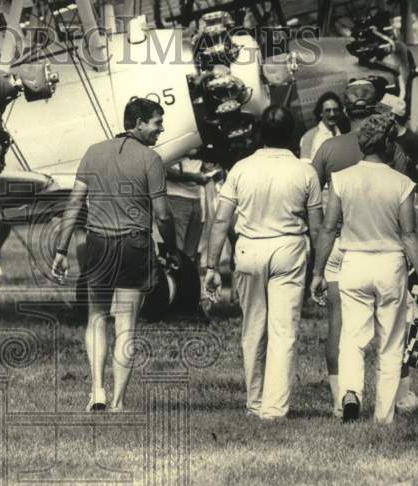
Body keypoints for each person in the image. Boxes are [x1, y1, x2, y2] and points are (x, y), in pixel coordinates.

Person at [52, 98, 179, 412]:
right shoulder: (151, 159)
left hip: (98, 243)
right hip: (133, 244)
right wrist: (172, 248)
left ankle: (96, 389)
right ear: (137, 123)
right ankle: (118, 402)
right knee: (126, 323)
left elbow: (74, 204)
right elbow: (163, 215)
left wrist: (60, 248)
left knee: (96, 317)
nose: (161, 129)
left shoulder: (94, 152)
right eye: (157, 123)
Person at [311, 113, 418, 423]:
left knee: (352, 335)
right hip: (390, 265)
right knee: (390, 341)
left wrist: (318, 271)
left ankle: (350, 391)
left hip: (353, 263)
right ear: (389, 144)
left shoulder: (342, 179)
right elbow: (409, 234)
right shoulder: (402, 183)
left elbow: (327, 228)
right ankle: (383, 415)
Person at [204, 106, 322, 419]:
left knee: (253, 328)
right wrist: (320, 270)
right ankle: (274, 408)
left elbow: (220, 221)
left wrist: (212, 266)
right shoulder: (304, 170)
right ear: (292, 135)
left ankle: (254, 402)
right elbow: (318, 226)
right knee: (283, 331)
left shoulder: (241, 169)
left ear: (259, 134)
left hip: (248, 251)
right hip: (288, 248)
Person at [299, 92, 345, 162]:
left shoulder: (341, 132)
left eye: (335, 110)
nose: (332, 114)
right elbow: (306, 167)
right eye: (327, 110)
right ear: (321, 113)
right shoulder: (309, 137)